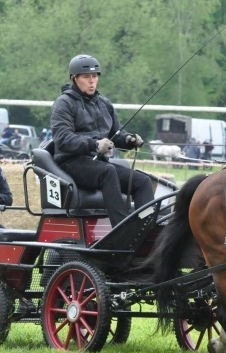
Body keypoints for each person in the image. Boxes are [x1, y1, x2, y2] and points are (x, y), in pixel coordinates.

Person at [50, 54, 153, 227]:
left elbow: (116, 135)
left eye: (94, 76)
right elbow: (63, 139)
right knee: (108, 171)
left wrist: (128, 139)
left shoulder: (104, 104)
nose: (92, 81)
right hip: (72, 162)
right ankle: (123, 228)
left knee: (142, 181)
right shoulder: (64, 104)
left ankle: (146, 226)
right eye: (86, 77)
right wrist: (94, 144)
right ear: (74, 79)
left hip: (98, 163)